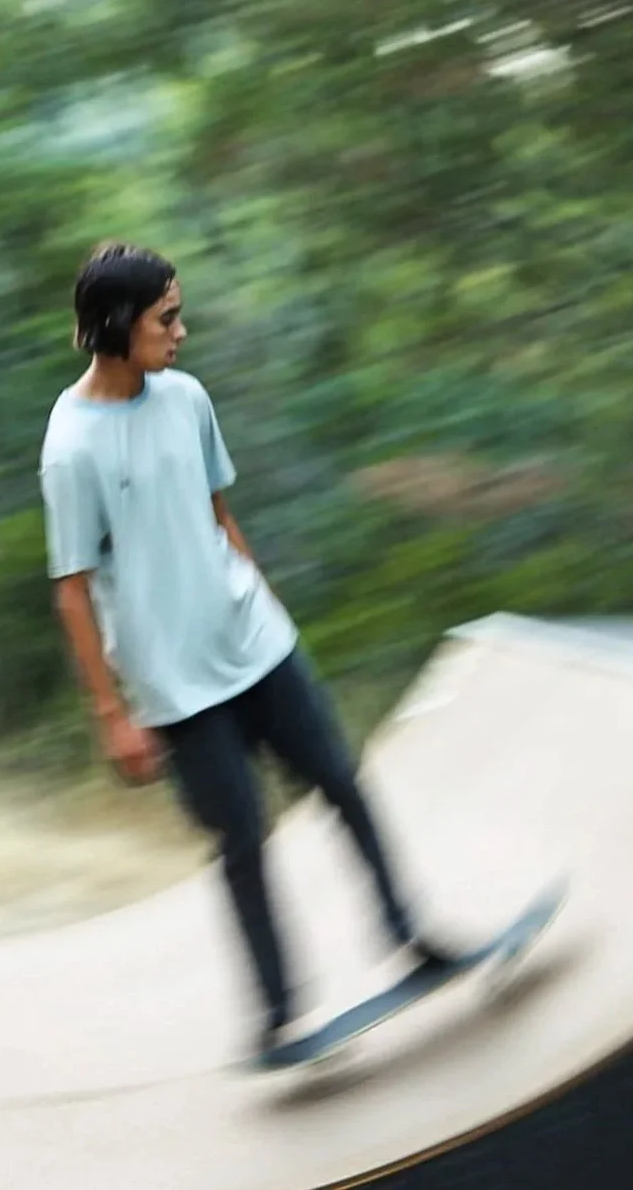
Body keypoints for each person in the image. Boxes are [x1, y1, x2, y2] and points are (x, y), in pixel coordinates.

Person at [38, 241, 454, 1068]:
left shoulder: (186, 399)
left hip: (256, 644)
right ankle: (277, 1012)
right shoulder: (71, 446)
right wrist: (112, 714)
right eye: (166, 317)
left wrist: (258, 595)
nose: (181, 331)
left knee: (340, 779)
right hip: (174, 685)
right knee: (242, 832)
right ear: (119, 324)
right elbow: (73, 588)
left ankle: (409, 932)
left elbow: (217, 510)